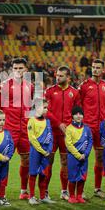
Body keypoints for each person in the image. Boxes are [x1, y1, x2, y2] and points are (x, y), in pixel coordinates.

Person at [0, 57, 34, 200]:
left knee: (26, 160)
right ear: (12, 70)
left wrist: (30, 122)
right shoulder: (4, 86)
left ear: (26, 70)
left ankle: (24, 191)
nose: (18, 71)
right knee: (3, 160)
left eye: (20, 68)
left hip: (25, 130)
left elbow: (32, 107)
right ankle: (1, 194)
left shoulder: (31, 86)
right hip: (9, 130)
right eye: (15, 68)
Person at [44, 66, 80, 200]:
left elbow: (77, 112)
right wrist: (58, 123)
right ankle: (45, 191)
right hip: (51, 132)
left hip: (67, 133)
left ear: (68, 78)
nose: (57, 78)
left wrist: (71, 127)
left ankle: (64, 191)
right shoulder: (50, 91)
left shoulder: (75, 93)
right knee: (49, 161)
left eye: (61, 76)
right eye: (57, 75)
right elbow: (46, 111)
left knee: (65, 162)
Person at [79, 59, 105, 198]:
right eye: (93, 67)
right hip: (87, 126)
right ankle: (81, 191)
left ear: (103, 70)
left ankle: (97, 189)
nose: (95, 70)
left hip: (102, 127)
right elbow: (78, 106)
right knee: (82, 157)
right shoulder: (84, 86)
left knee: (100, 158)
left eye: (98, 67)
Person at [27, 98, 54, 205]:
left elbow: (51, 137)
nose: (46, 110)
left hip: (46, 152)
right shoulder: (31, 120)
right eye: (44, 107)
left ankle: (43, 197)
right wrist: (42, 151)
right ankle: (31, 197)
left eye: (47, 107)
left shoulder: (47, 121)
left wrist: (49, 150)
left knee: (44, 174)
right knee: (33, 174)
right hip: (36, 151)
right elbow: (32, 138)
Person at [65, 106, 92, 204]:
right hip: (73, 157)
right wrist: (78, 155)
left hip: (84, 157)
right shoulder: (69, 129)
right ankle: (72, 196)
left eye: (80, 114)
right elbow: (68, 144)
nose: (79, 116)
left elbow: (90, 141)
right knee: (72, 177)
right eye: (76, 114)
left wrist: (86, 154)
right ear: (72, 116)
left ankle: (79, 196)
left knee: (82, 177)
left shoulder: (87, 129)